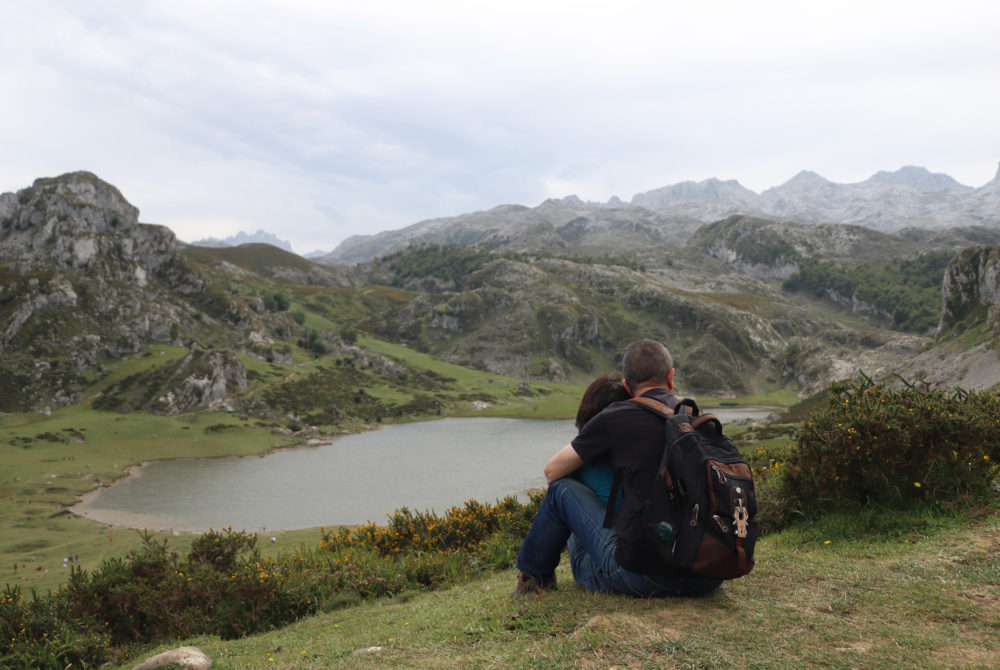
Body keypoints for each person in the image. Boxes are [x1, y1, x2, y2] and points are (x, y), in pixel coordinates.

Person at [513, 339, 723, 597]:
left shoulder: (616, 416)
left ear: (626, 385)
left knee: (561, 489)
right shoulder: (697, 417)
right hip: (709, 575)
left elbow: (552, 471)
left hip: (645, 579)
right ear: (671, 377)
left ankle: (534, 578)